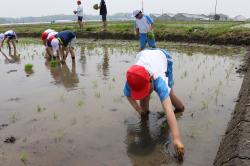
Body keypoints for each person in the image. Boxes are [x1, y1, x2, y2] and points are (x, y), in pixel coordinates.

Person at [123, 48, 185, 159]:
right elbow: (128, 95)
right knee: (143, 109)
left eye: (145, 90)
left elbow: (169, 111)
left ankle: (180, 107)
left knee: (170, 93)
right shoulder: (132, 79)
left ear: (151, 79)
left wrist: (176, 138)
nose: (143, 94)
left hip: (163, 58)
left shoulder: (159, 81)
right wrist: (138, 109)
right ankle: (144, 111)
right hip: (144, 58)